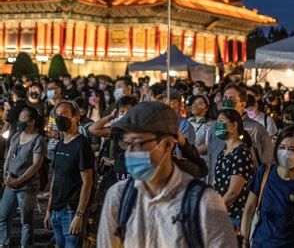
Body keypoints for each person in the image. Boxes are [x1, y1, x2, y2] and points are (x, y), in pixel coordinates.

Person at [97, 101, 237, 247]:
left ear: (168, 144)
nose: (130, 152)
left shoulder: (204, 203)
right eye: (127, 144)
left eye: (138, 143)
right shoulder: (118, 197)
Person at [241, 125, 294, 247]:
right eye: (282, 147)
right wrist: (244, 241)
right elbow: (249, 209)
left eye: (292, 149)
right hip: (260, 243)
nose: (285, 153)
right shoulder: (264, 173)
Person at [44, 100, 94, 248]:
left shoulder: (81, 145)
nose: (60, 118)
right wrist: (49, 209)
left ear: (75, 117)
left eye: (64, 114)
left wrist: (79, 215)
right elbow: (56, 178)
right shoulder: (60, 144)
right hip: (56, 211)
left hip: (71, 212)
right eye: (57, 115)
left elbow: (88, 182)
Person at [207, 85, 273, 185]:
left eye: (232, 99)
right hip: (216, 189)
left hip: (245, 190)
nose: (227, 102)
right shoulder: (214, 127)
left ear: (242, 105)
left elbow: (267, 164)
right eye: (225, 98)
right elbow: (210, 158)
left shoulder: (256, 129)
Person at [0, 107, 46, 247]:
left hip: (27, 186)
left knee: (25, 220)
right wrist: (5, 176)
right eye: (20, 118)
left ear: (32, 122)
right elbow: (8, 157)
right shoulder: (16, 136)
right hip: (10, 183)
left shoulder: (38, 140)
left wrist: (18, 181)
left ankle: (25, 244)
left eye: (23, 118)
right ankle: (4, 242)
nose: (20, 121)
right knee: (3, 216)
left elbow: (36, 165)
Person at [214, 104, 255, 228]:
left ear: (234, 125)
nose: (217, 125)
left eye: (221, 121)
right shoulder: (223, 152)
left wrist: (215, 208)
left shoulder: (241, 152)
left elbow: (233, 192)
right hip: (221, 213)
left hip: (234, 216)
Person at [188, 94, 213, 160]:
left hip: (200, 161)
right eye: (194, 103)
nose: (195, 105)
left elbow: (209, 146)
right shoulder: (187, 122)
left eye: (199, 103)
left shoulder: (210, 124)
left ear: (206, 108)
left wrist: (190, 152)